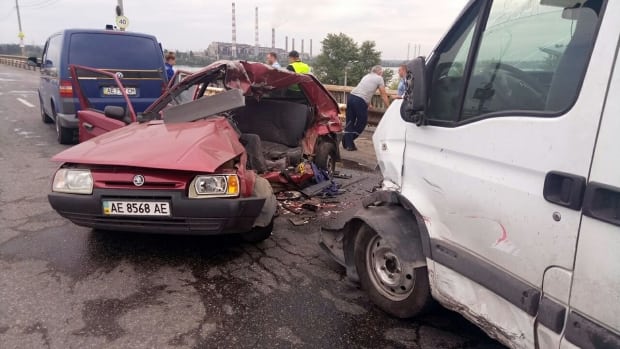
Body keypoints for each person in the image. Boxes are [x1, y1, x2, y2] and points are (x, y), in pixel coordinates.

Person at [342, 65, 390, 151]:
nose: (382, 73)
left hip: (351, 97)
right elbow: (383, 94)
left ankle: (349, 144)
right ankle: (347, 139)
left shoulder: (366, 76)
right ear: (379, 72)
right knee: (362, 122)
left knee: (350, 121)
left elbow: (365, 90)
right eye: (382, 72)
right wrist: (389, 107)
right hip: (360, 101)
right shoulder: (379, 78)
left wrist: (368, 103)